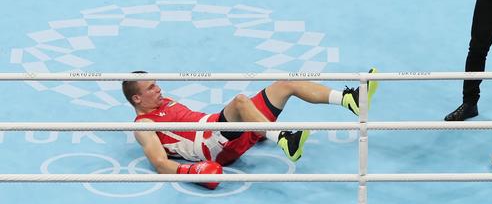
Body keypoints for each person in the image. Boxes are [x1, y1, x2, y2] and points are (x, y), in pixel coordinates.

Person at [123, 69, 378, 189]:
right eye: (151, 88)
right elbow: (159, 163)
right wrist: (195, 172)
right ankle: (285, 139)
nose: (159, 89)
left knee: (285, 84)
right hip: (212, 147)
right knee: (240, 102)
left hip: (219, 129)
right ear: (137, 99)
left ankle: (350, 99)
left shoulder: (163, 103)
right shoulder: (144, 126)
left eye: (156, 84)